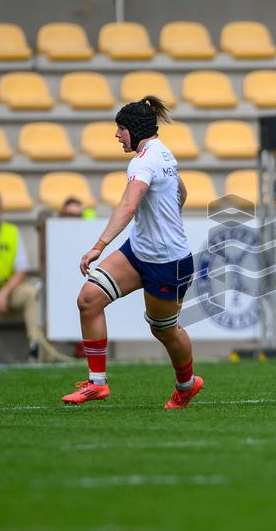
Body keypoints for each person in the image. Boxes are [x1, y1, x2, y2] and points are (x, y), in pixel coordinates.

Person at [62, 96, 201, 408]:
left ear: (136, 130)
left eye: (121, 129)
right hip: (138, 252)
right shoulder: (163, 154)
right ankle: (97, 383)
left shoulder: (142, 162)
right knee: (89, 299)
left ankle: (187, 383)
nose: (117, 135)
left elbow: (128, 204)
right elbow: (182, 191)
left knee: (164, 330)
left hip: (168, 262)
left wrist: (99, 245)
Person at [0, 190, 45, 361]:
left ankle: (36, 347)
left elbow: (21, 270)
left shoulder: (12, 232)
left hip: (6, 292)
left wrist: (3, 294)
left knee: (31, 293)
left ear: (0, 210)